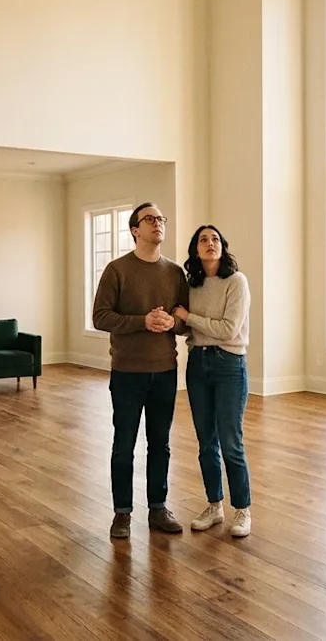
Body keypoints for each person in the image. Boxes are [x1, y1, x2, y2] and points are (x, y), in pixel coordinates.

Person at [92, 202, 190, 539]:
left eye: (161, 219)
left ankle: (158, 508)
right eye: (150, 219)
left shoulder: (175, 273)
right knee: (124, 444)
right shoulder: (117, 270)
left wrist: (171, 322)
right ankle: (122, 513)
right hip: (127, 373)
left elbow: (184, 322)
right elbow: (100, 317)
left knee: (160, 445)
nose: (158, 224)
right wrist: (142, 321)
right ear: (135, 229)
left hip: (165, 372)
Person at [172, 224, 252, 537]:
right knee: (206, 442)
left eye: (215, 239)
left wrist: (189, 318)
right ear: (195, 249)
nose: (210, 243)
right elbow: (187, 329)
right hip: (198, 364)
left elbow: (228, 329)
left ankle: (242, 510)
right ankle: (214, 506)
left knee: (231, 442)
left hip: (229, 364)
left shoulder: (236, 281)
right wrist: (177, 320)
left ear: (223, 246)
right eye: (203, 240)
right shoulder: (192, 284)